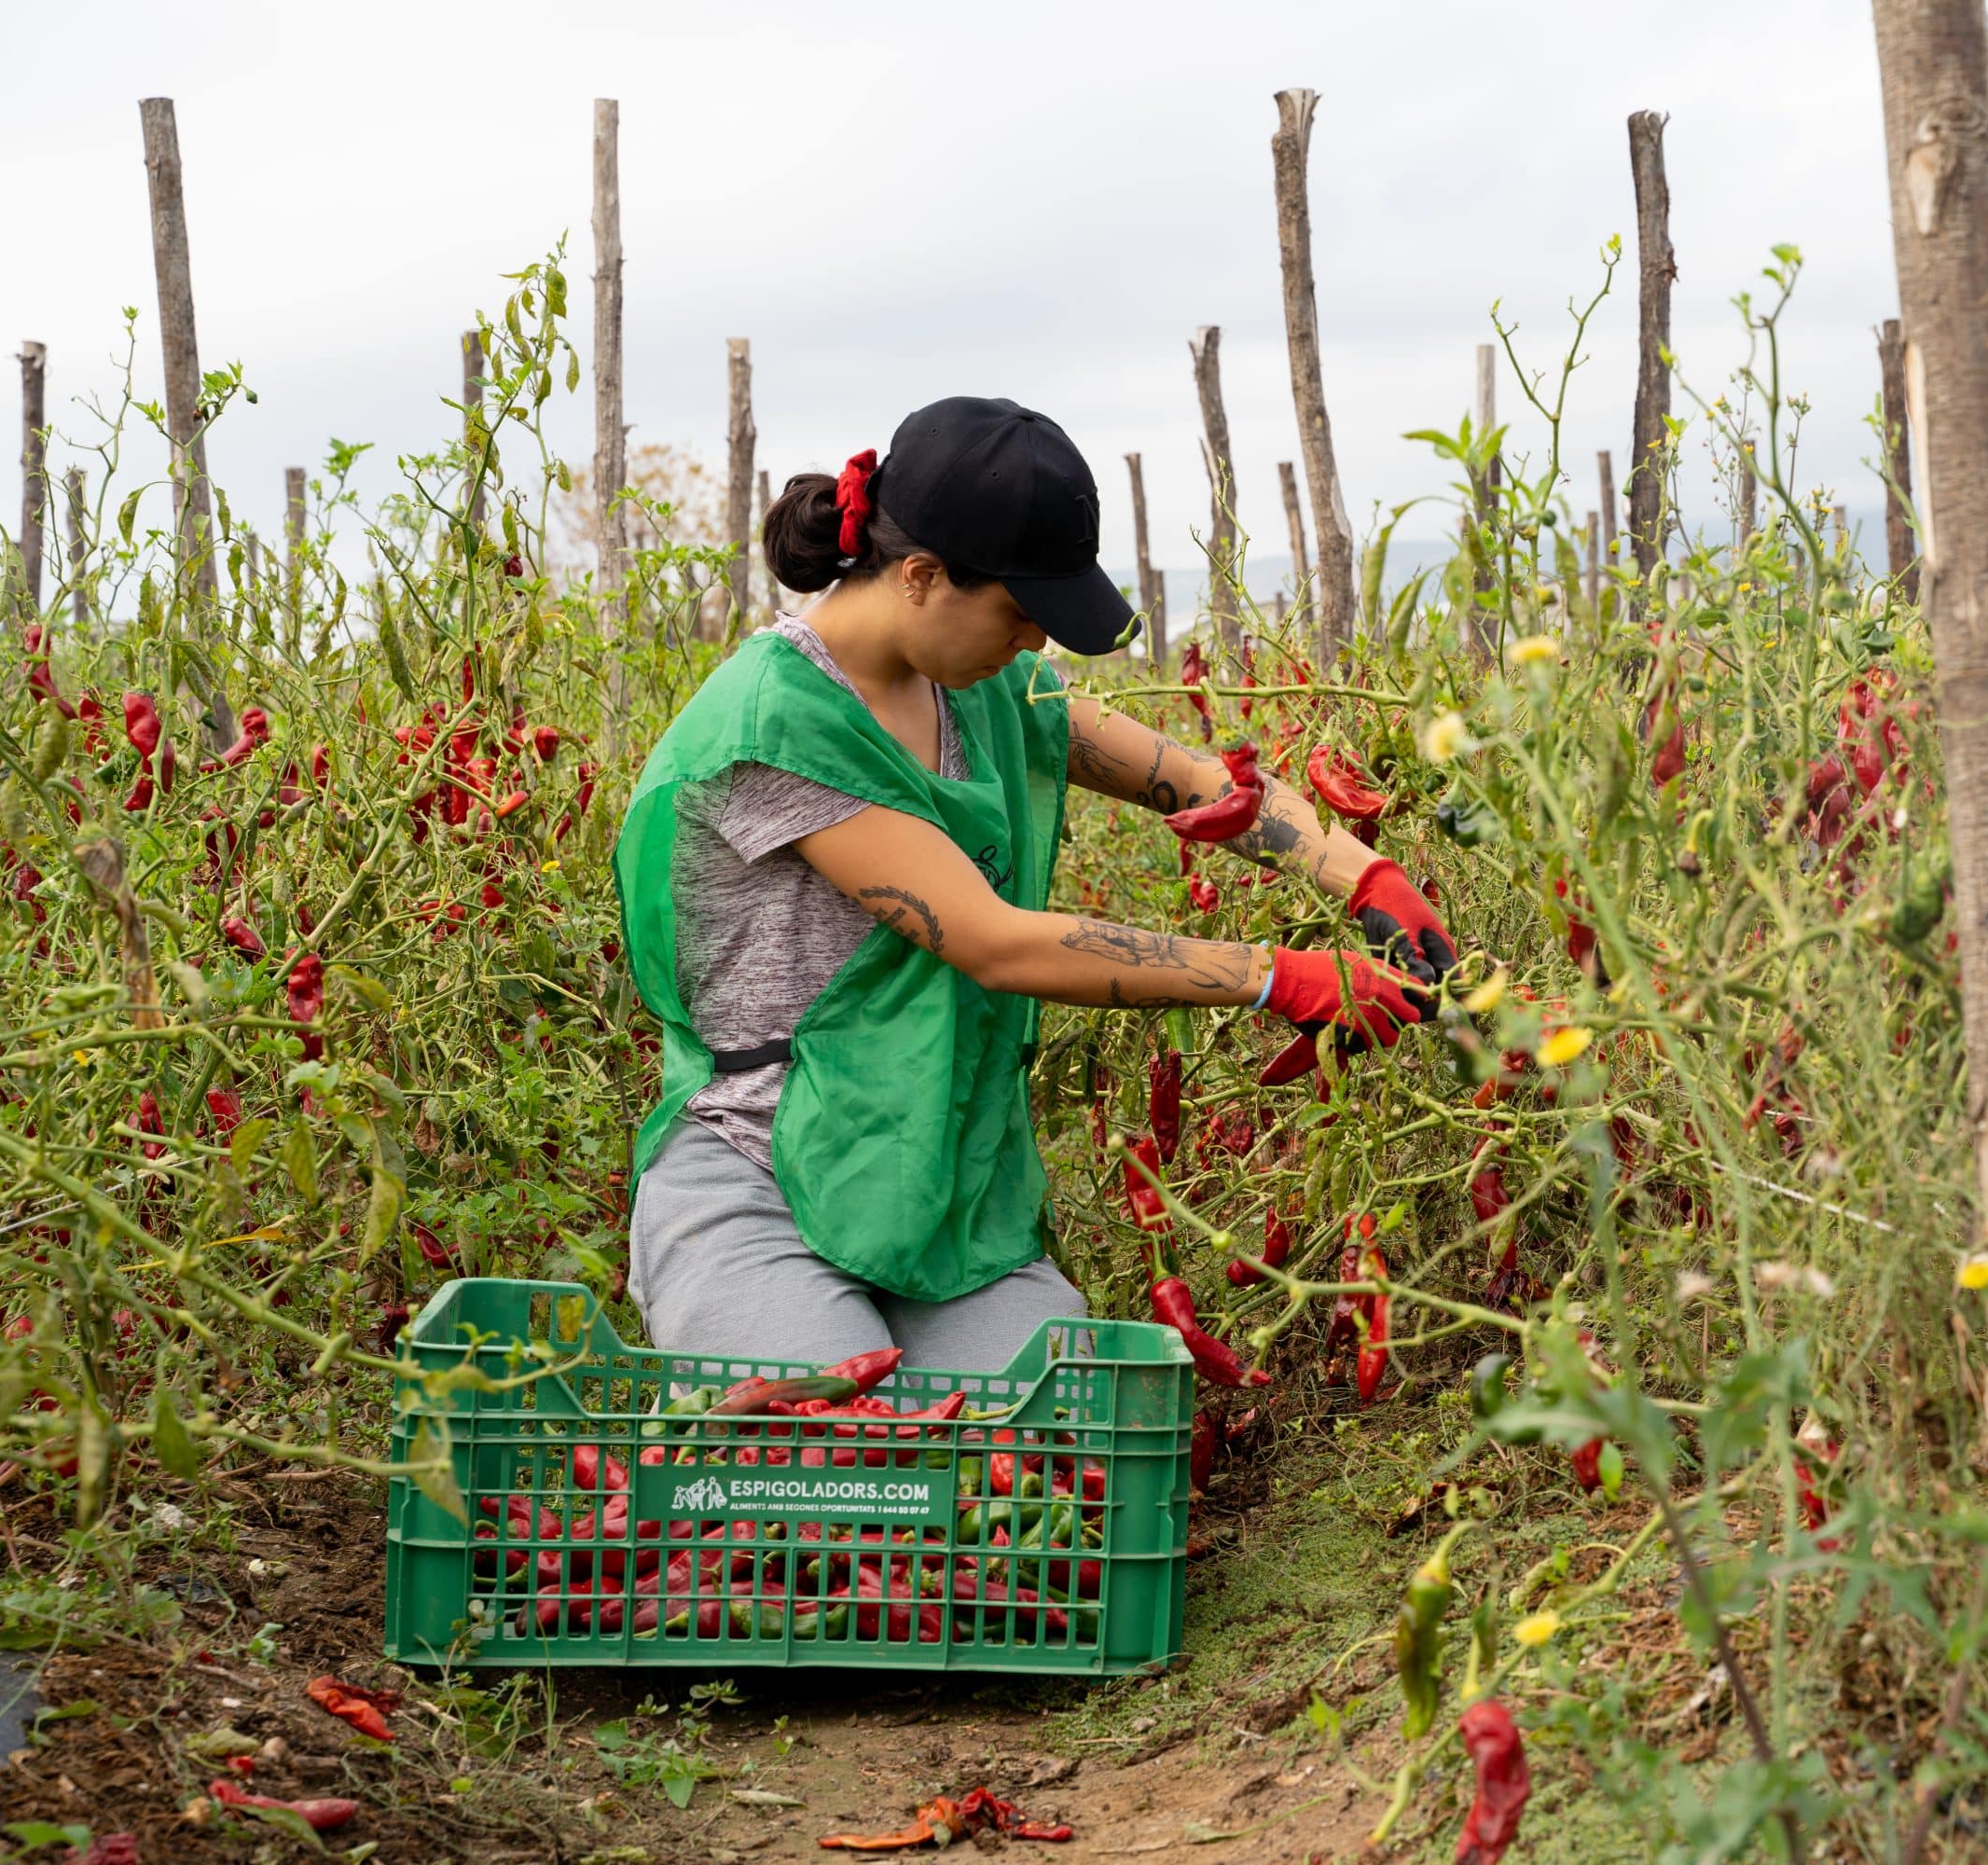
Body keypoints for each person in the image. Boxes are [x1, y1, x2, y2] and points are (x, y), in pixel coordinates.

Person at [614, 397, 1457, 1373]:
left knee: (1056, 1453)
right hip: (759, 1175)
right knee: (850, 1472)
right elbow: (991, 939)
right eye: (1021, 614)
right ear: (922, 577)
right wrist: (1275, 975)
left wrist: (1361, 874)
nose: (1035, 646)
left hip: (941, 1181)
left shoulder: (973, 683)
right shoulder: (779, 721)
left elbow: (1192, 779)